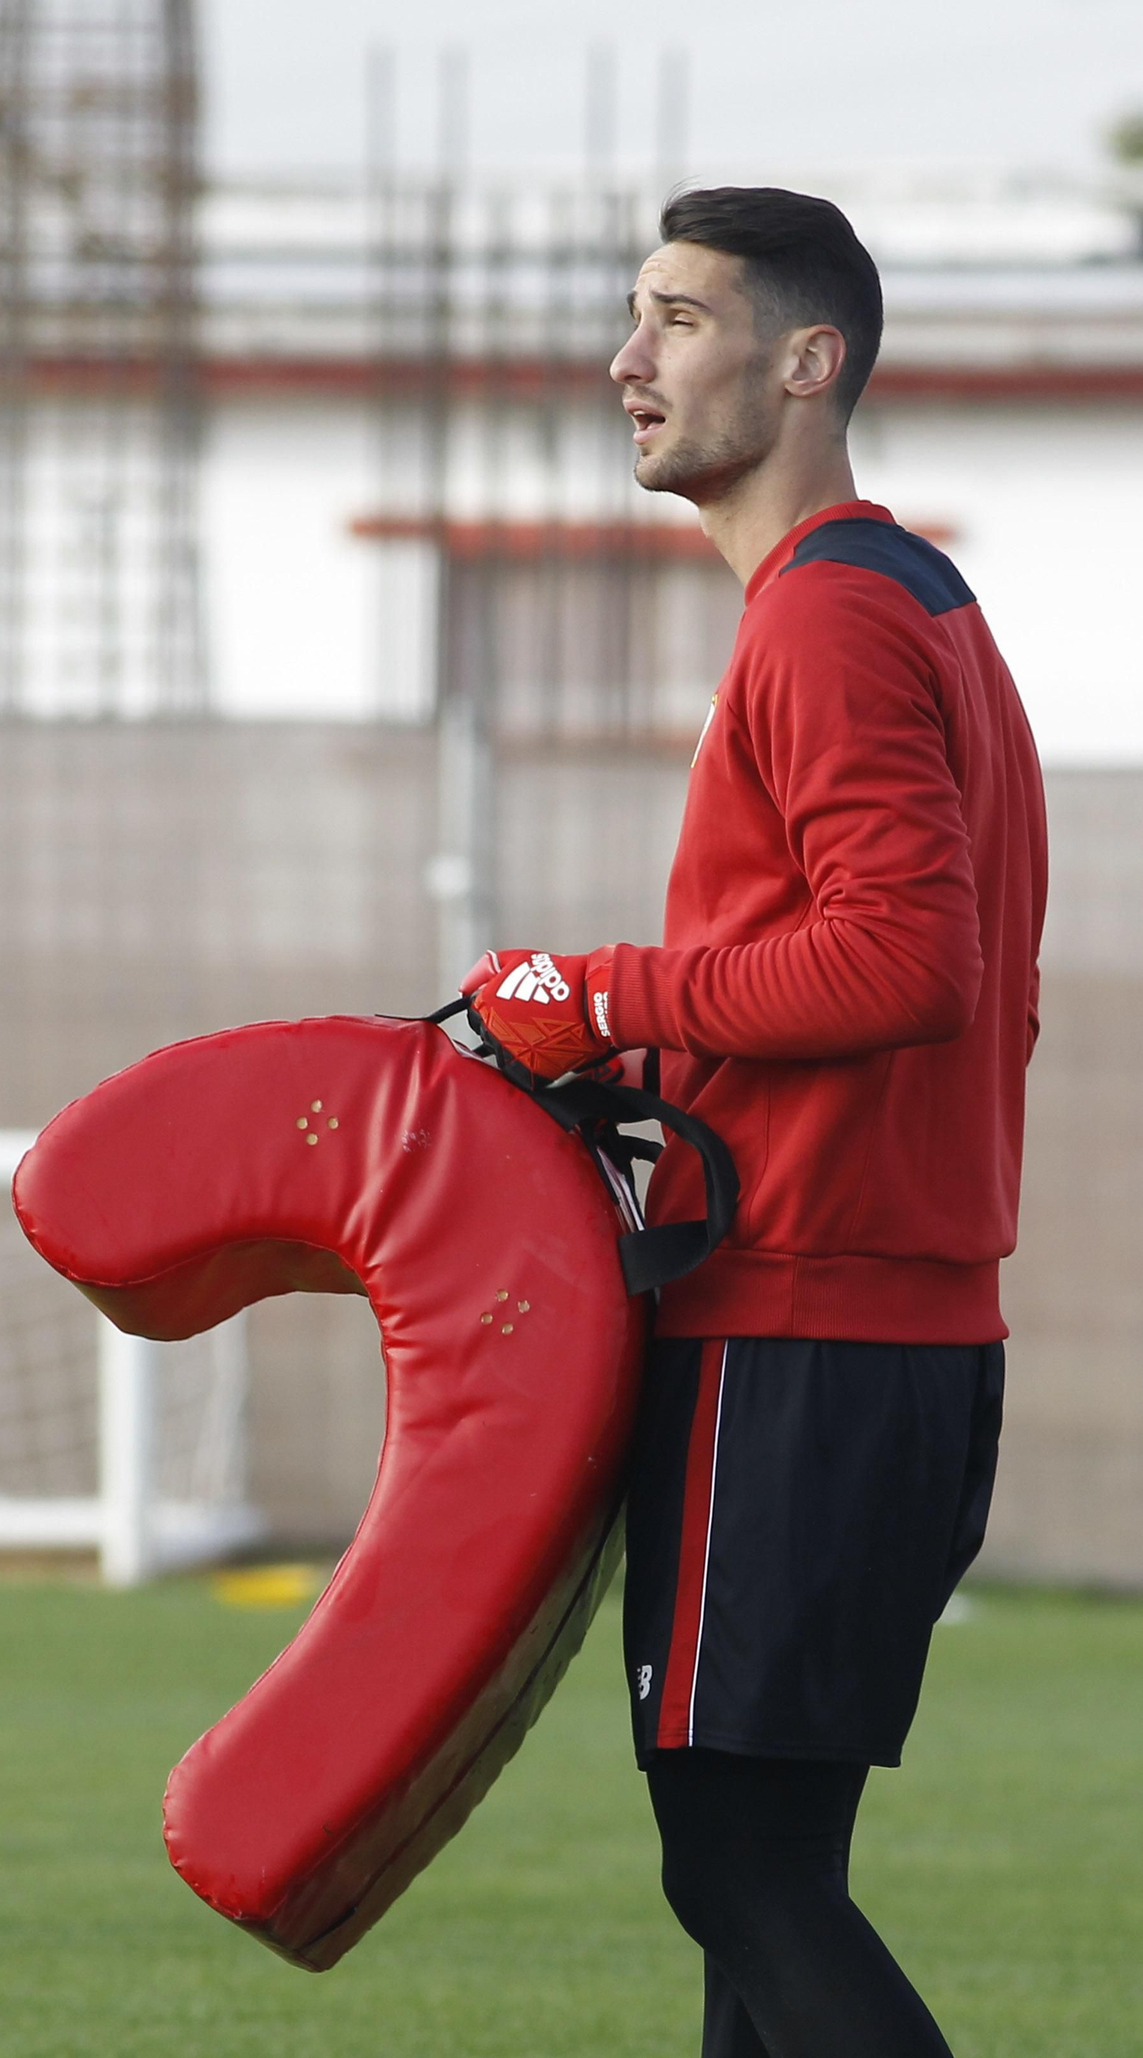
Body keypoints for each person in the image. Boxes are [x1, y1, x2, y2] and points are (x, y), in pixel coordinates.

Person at [461, 187, 1047, 2058]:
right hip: (885, 1327)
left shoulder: (832, 619)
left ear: (809, 361)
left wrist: (602, 995)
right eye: (634, 316)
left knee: (744, 1877)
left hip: (804, 1331)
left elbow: (906, 964)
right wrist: (640, 1075)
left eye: (681, 319)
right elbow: (912, 984)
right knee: (759, 1893)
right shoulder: (914, 600)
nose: (627, 360)